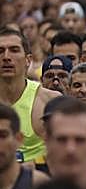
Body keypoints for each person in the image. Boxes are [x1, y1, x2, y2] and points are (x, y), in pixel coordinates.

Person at [0, 27, 55, 164]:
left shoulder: (49, 101)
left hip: (38, 180)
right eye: (0, 51)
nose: (6, 57)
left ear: (28, 60)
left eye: (14, 50)